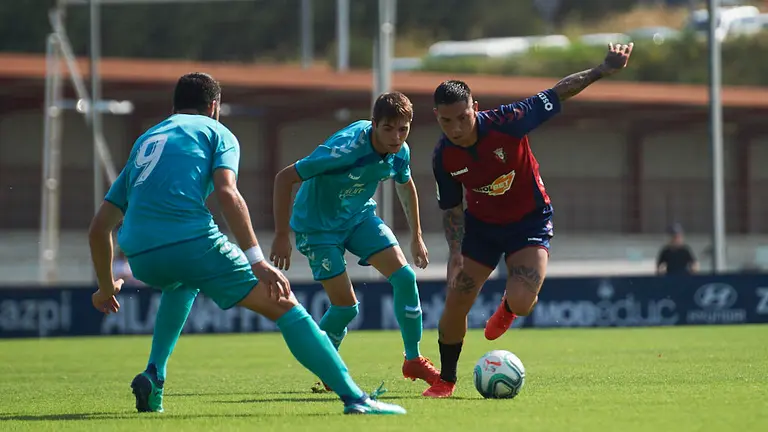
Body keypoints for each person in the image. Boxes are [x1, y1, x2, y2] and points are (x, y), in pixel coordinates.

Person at [87, 72, 406, 415]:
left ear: (175, 107)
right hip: (190, 241)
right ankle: (355, 399)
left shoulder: (146, 140)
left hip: (139, 253)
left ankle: (155, 376)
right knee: (285, 305)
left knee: (181, 284)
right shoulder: (217, 132)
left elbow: (99, 227)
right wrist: (257, 259)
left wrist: (106, 287)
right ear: (214, 106)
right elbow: (227, 192)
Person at [424, 43, 635, 398]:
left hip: (528, 222)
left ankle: (507, 308)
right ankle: (446, 380)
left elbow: (558, 91)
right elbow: (452, 209)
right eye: (447, 121)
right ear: (437, 117)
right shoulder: (443, 157)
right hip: (482, 230)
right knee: (456, 300)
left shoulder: (509, 120)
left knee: (523, 303)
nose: (456, 127)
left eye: (463, 117)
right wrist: (455, 253)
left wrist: (601, 69)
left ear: (475, 107)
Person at [271, 92, 440, 392]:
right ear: (374, 124)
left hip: (358, 218)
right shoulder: (343, 151)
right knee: (346, 308)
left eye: (403, 129)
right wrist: (282, 235)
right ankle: (326, 366)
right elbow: (285, 178)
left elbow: (405, 185)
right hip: (317, 227)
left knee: (405, 277)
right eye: (388, 128)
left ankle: (412, 359)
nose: (396, 136)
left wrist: (417, 236)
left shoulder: (401, 152)